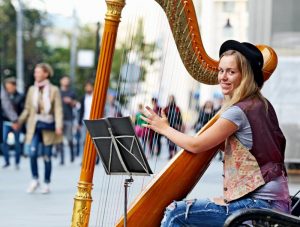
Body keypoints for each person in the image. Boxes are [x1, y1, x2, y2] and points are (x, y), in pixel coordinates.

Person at [142, 40, 290, 226]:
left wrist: (163, 128)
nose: (223, 77)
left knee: (175, 214)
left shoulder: (237, 112)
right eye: (221, 70)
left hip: (258, 205)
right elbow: (250, 152)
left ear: (246, 76)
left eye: (231, 71)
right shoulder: (262, 105)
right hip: (277, 202)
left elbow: (196, 145)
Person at [16, 63, 63, 194]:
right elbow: (27, 109)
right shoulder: (32, 89)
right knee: (32, 153)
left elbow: (58, 109)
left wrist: (59, 126)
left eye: (38, 72)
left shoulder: (54, 90)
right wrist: (19, 121)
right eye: (35, 72)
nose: (35, 74)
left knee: (47, 156)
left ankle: (46, 182)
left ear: (46, 74)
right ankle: (35, 179)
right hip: (34, 126)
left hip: (48, 125)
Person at [1, 77, 25, 169]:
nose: (8, 89)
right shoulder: (4, 96)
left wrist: (18, 121)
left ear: (14, 86)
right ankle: (7, 161)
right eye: (7, 87)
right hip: (6, 122)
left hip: (17, 122)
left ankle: (17, 162)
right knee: (3, 142)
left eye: (10, 87)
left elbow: (23, 110)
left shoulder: (21, 96)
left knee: (17, 143)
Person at [55, 75, 77, 165]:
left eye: (67, 80)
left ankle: (72, 155)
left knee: (69, 139)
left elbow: (76, 105)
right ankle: (62, 159)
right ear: (61, 81)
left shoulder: (71, 92)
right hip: (59, 119)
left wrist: (70, 101)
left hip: (69, 118)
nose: (65, 82)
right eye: (64, 80)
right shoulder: (57, 92)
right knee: (59, 140)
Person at [163, 95, 183, 159]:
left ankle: (175, 151)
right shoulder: (166, 108)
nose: (171, 100)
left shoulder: (177, 108)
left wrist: (180, 125)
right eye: (170, 98)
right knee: (169, 141)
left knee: (175, 140)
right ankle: (170, 153)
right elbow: (164, 117)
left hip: (175, 126)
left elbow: (180, 117)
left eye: (172, 98)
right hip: (168, 126)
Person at [78, 80, 94, 157]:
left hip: (94, 121)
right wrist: (79, 123)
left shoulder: (96, 97)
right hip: (85, 121)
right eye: (86, 86)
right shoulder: (83, 98)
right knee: (84, 140)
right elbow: (81, 110)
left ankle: (94, 157)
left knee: (93, 141)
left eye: (89, 86)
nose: (88, 88)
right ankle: (84, 158)